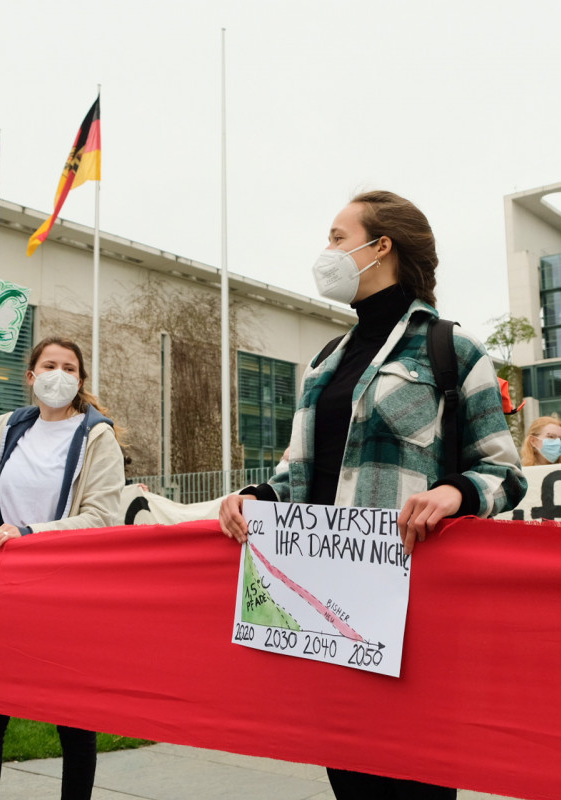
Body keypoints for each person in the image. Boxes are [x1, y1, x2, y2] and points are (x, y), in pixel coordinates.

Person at [218, 190, 526, 800]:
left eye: (337, 237)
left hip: (416, 610)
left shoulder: (452, 349)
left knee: (415, 782)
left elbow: (505, 472)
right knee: (350, 777)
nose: (326, 250)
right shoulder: (325, 361)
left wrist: (455, 493)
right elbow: (298, 473)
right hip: (330, 607)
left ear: (379, 246)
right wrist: (257, 495)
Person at [0, 327, 125, 800]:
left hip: (64, 595)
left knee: (73, 722)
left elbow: (101, 518)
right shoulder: (10, 428)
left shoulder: (97, 436)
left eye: (69, 368)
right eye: (50, 366)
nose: (58, 375)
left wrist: (31, 535)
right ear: (30, 376)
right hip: (1, 592)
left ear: (80, 381)